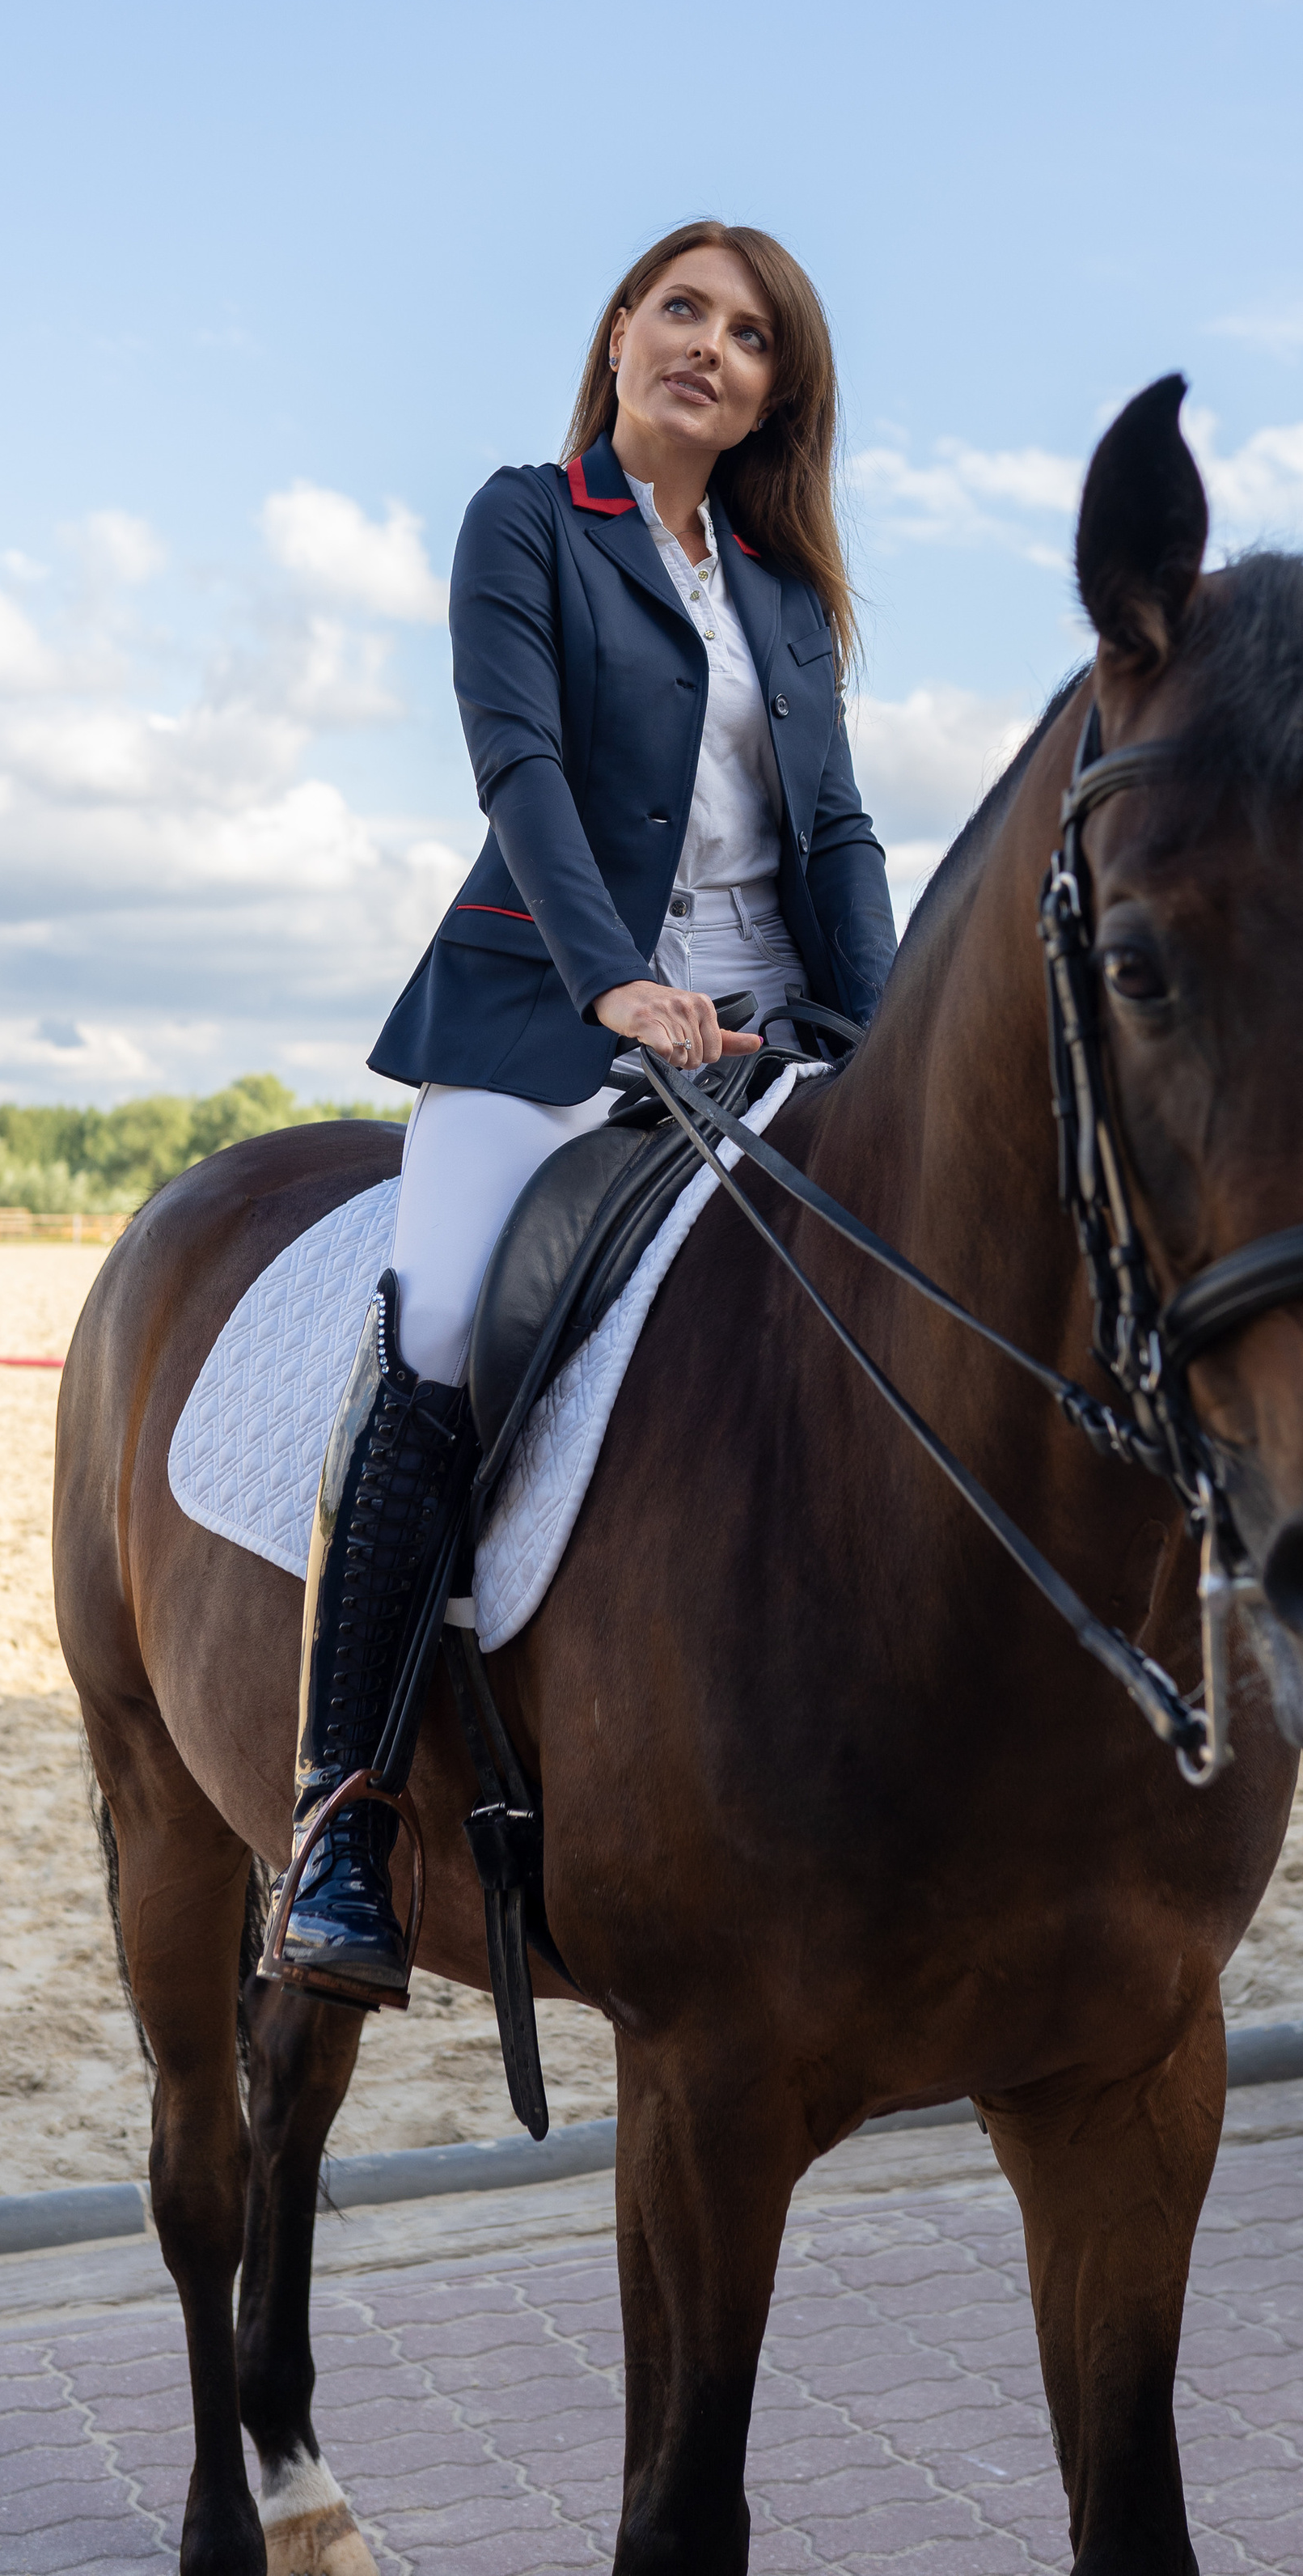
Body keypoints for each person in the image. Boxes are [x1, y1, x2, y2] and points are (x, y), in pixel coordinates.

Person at [269, 219, 898, 2002]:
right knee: (438, 1327)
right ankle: (342, 1815)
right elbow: (519, 763)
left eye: (750, 335)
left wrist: (883, 1028)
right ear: (620, 335)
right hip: (550, 1017)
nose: (709, 345)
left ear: (775, 395)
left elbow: (837, 831)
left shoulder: (784, 596)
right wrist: (610, 983)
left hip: (768, 1029)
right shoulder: (528, 520)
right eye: (681, 309)